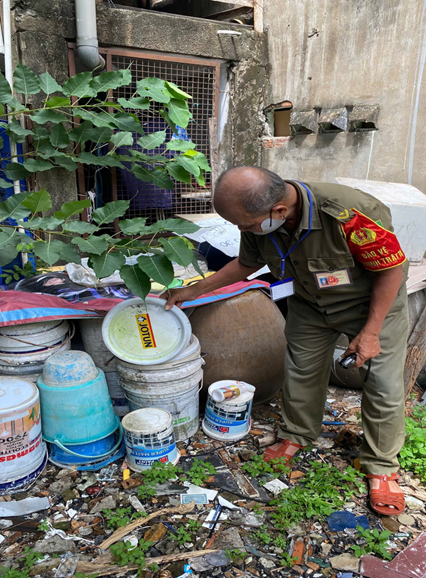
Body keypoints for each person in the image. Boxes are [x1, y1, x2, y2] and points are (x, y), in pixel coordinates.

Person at [163, 166, 409, 516]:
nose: (242, 230)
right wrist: (195, 289)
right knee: (301, 370)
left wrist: (370, 332)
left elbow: (389, 269)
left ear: (279, 210)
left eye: (246, 225)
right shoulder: (259, 218)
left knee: (382, 383)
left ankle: (381, 466)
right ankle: (297, 434)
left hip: (370, 305)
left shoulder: (350, 213)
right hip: (310, 302)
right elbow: (246, 263)